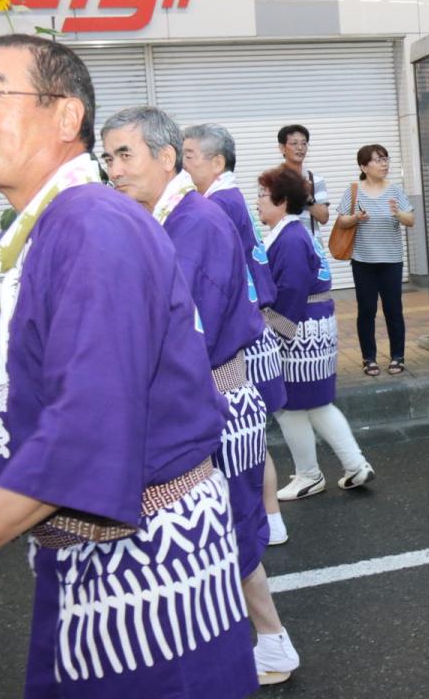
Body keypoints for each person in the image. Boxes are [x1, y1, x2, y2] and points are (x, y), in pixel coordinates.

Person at [0, 34, 256, 696]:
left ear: (66, 115)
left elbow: (89, 426)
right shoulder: (48, 227)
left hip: (149, 565)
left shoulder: (94, 225)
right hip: (89, 554)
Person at [103, 107, 300, 686]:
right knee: (219, 532)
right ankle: (258, 642)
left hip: (211, 402)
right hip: (202, 399)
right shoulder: (170, 218)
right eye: (108, 156)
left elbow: (183, 334)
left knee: (229, 531)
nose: (114, 169)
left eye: (125, 154)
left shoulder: (196, 222)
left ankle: (271, 642)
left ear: (167, 159)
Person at [183, 123, 290, 543]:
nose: (181, 163)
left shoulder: (216, 204)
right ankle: (268, 518)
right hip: (251, 326)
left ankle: (267, 519)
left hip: (243, 333)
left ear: (217, 162)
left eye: (189, 155)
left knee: (248, 438)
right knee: (252, 436)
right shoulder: (226, 199)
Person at [257, 167, 375, 500]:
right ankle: (354, 465)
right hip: (312, 326)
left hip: (297, 329)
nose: (258, 202)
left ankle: (310, 475)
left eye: (263, 195)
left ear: (282, 200)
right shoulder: (294, 232)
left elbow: (292, 288)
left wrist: (274, 328)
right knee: (316, 403)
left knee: (290, 407)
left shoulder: (290, 237)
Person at [332, 143, 415, 377]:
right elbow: (341, 221)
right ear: (364, 166)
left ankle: (398, 356)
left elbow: (410, 220)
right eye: (378, 160)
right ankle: (368, 358)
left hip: (391, 261)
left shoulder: (395, 190)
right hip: (363, 261)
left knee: (393, 310)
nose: (384, 164)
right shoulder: (354, 190)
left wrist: (397, 213)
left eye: (386, 159)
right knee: (366, 310)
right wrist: (356, 218)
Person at [277, 124, 329, 236]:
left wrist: (306, 196)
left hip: (312, 243)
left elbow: (324, 218)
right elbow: (267, 216)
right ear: (282, 148)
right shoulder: (273, 180)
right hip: (285, 242)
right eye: (294, 143)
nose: (300, 148)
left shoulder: (315, 179)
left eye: (304, 143)